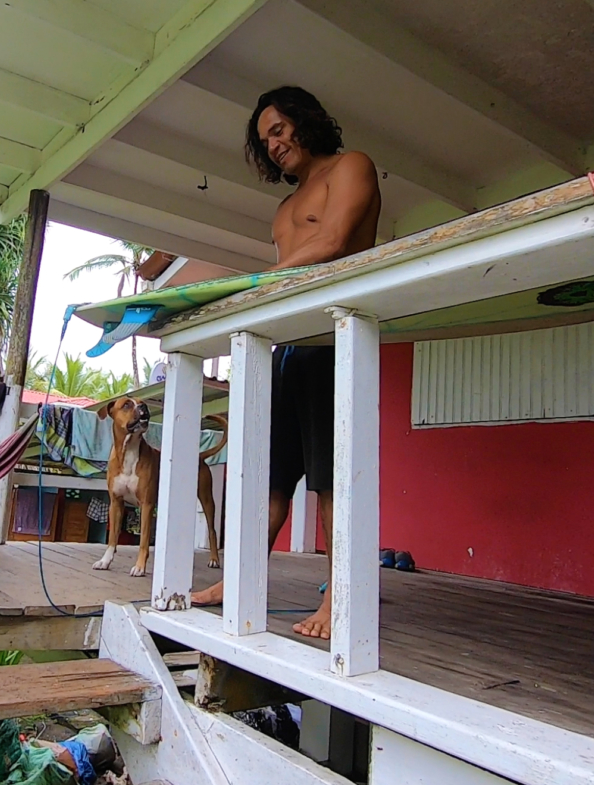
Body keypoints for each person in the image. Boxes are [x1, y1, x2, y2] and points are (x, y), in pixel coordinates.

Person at [189, 86, 381, 639]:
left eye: (278, 130)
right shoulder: (282, 210)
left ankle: (338, 601)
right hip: (289, 349)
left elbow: (336, 241)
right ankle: (238, 580)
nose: (272, 145)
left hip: (334, 341)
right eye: (263, 140)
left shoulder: (353, 166)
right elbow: (292, 261)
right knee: (270, 482)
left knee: (329, 481)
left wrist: (250, 287)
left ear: (304, 121)